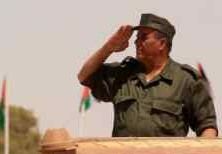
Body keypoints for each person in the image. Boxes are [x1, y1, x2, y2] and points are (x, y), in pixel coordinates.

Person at [78, 13, 217, 137]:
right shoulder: (124, 74)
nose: (136, 42)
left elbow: (207, 127)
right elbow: (84, 76)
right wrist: (109, 47)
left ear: (162, 44)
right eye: (137, 37)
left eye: (143, 38)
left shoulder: (186, 80)